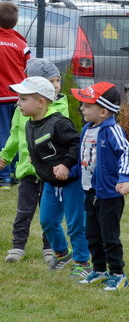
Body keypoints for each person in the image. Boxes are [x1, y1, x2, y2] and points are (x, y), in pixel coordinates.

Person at [10, 76, 90, 276]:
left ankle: (83, 262)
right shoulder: (29, 124)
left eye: (23, 99)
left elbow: (76, 144)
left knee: (75, 224)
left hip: (71, 182)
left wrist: (65, 164)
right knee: (47, 221)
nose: (18, 103)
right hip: (49, 182)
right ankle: (62, 253)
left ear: (40, 102)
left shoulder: (59, 123)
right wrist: (35, 161)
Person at [0, 59, 66, 264]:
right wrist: (5, 156)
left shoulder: (60, 108)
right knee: (24, 211)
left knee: (48, 213)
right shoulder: (21, 111)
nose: (56, 85)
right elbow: (14, 135)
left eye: (58, 80)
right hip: (27, 170)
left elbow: (62, 139)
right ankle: (17, 246)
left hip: (49, 172)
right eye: (51, 81)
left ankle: (49, 248)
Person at [72, 82, 129, 291]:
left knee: (109, 236)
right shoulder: (86, 129)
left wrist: (124, 178)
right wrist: (70, 172)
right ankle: (99, 270)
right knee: (92, 234)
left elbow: (126, 152)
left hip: (109, 194)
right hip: (90, 191)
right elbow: (83, 159)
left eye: (86, 105)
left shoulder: (112, 130)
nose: (82, 108)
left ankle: (118, 274)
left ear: (103, 111)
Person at [0, 1, 31, 189]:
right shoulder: (22, 44)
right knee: (20, 132)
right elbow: (28, 68)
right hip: (20, 97)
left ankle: (3, 177)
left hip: (1, 96)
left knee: (3, 133)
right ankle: (18, 173)